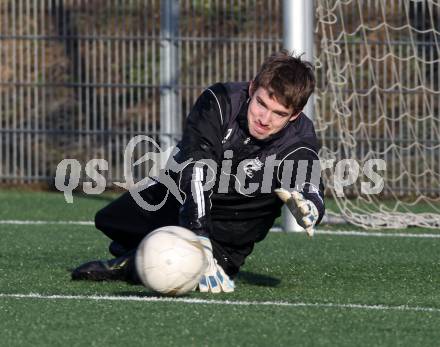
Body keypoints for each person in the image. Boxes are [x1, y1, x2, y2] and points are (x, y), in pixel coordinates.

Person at [72, 50, 325, 293]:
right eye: (261, 103)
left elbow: (309, 181)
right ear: (251, 88)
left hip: (232, 230)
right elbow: (195, 167)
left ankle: (131, 263)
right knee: (111, 221)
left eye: (279, 114)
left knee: (186, 267)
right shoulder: (220, 101)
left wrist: (312, 205)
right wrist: (198, 235)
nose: (265, 118)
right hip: (184, 197)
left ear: (294, 116)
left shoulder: (299, 137)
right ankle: (153, 243)